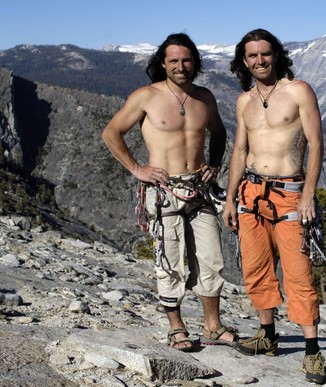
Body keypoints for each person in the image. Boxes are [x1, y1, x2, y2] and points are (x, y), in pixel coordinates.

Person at [102, 33, 237, 352]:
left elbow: (218, 132)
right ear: (162, 63)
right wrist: (137, 168)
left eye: (187, 60)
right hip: (164, 192)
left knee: (212, 259)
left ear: (195, 63)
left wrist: (214, 164)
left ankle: (212, 326)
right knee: (170, 261)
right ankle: (177, 328)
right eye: (174, 60)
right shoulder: (146, 96)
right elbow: (111, 132)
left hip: (200, 190)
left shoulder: (205, 97)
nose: (181, 66)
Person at [223, 28, 326, 384]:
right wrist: (230, 197)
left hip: (290, 192)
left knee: (299, 273)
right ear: (244, 61)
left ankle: (312, 352)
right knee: (256, 268)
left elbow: (316, 143)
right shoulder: (244, 101)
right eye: (252, 56)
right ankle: (267, 335)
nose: (259, 61)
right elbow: (240, 151)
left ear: (276, 54)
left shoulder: (298, 91)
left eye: (265, 54)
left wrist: (309, 193)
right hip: (251, 193)